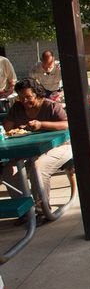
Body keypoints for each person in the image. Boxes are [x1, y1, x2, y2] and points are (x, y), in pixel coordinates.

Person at [2, 78, 72, 223]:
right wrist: (14, 125)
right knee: (10, 171)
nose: (25, 101)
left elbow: (66, 124)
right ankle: (25, 210)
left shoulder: (51, 106)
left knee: (38, 168)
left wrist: (41, 124)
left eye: (28, 97)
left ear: (37, 94)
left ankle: (43, 210)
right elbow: (7, 127)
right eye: (21, 98)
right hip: (30, 150)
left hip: (60, 146)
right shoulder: (18, 107)